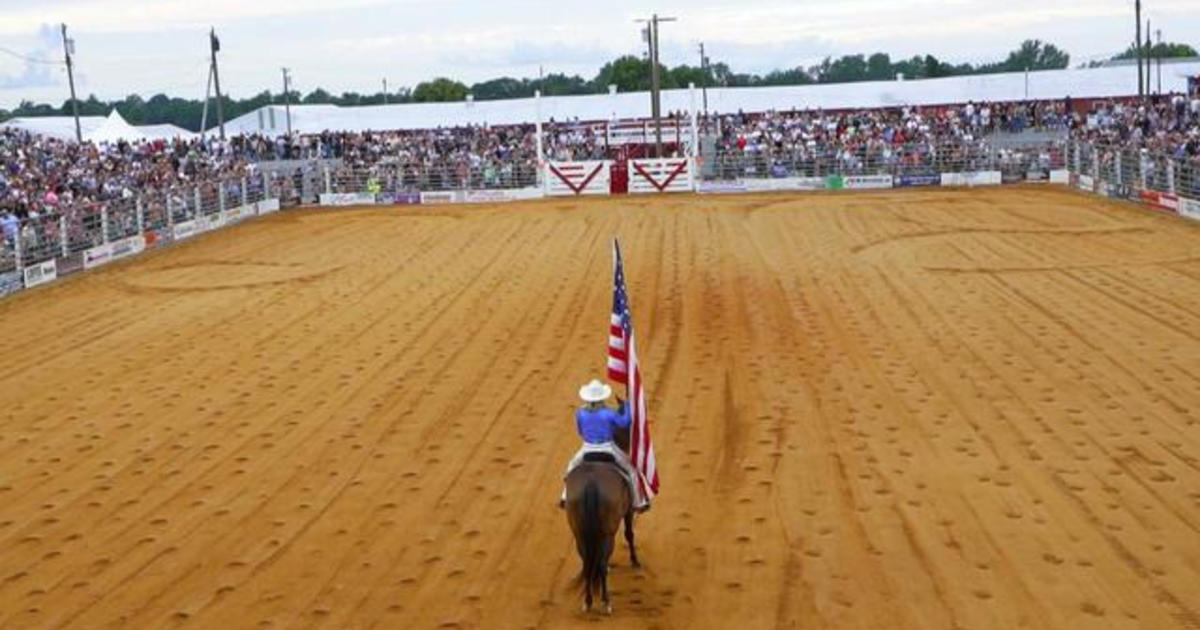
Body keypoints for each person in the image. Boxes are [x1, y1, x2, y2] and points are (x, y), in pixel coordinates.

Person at [561, 379, 649, 513]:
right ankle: (639, 502)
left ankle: (564, 497)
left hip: (587, 447)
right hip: (609, 448)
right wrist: (627, 406)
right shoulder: (609, 413)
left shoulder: (580, 413)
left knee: (571, 468)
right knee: (631, 471)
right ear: (602, 397)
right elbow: (625, 423)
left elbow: (580, 431)